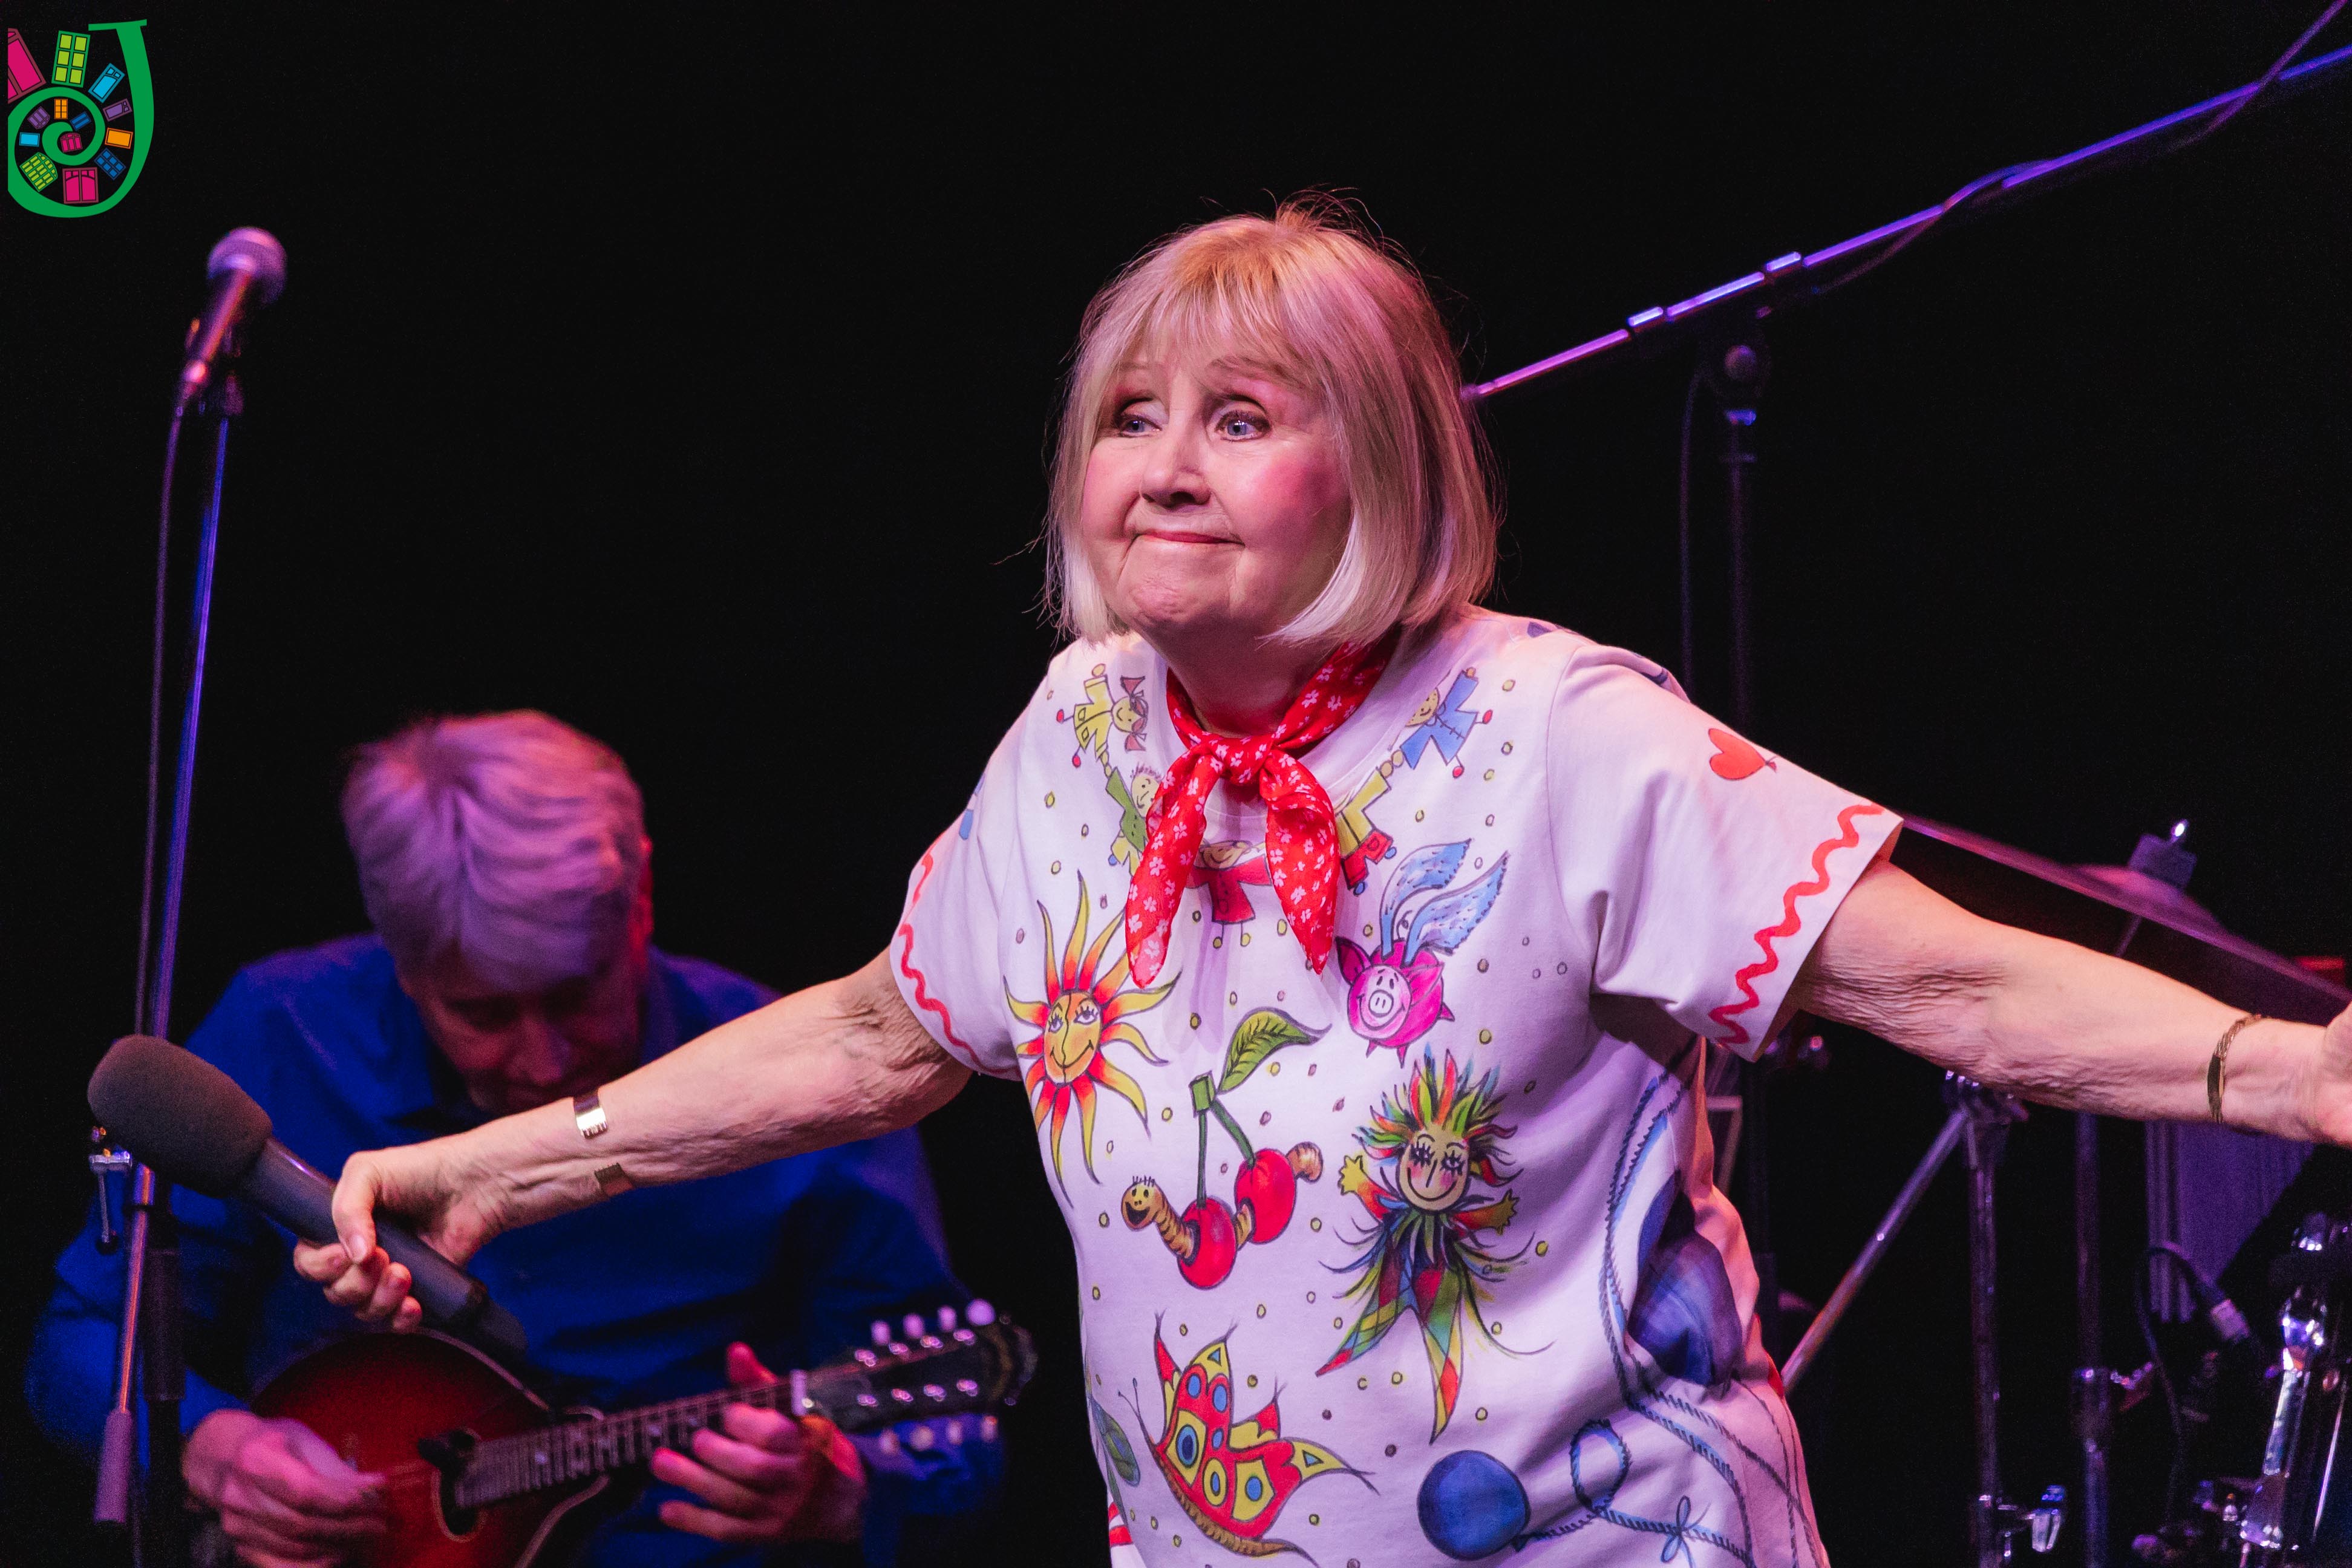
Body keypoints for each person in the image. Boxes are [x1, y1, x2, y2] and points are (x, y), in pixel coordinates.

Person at [292, 201, 2352, 1566]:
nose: (1164, 463)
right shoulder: (1080, 737)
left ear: (1373, 463)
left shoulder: (1558, 733)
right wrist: (498, 1173)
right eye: (1129, 417)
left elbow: (1947, 982)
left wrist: (2292, 1075)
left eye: (1239, 418)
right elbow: (879, 1034)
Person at [28, 711, 1000, 1568]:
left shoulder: (806, 1084)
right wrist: (214, 1449)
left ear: (640, 902)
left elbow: (956, 1423)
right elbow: (79, 1343)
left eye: (578, 996)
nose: (543, 1061)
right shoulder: (285, 1035)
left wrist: (848, 1492)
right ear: (400, 960)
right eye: (483, 1014)